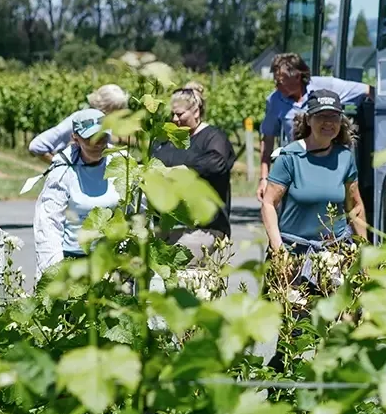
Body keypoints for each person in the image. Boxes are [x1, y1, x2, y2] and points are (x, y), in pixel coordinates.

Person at [261, 87, 368, 263]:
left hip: (334, 255)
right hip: (293, 253)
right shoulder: (290, 156)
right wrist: (279, 250)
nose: (328, 122)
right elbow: (268, 204)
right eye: (321, 116)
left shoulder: (345, 157)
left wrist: (364, 254)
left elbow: (355, 207)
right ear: (309, 120)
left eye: (334, 116)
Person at [258, 54, 368, 200]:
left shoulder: (327, 86)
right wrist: (264, 178)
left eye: (281, 79)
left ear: (297, 76)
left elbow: (367, 90)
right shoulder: (274, 100)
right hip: (297, 167)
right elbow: (268, 138)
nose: (277, 84)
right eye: (275, 80)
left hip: (330, 165)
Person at [32, 110, 122, 275]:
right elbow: (48, 224)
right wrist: (54, 271)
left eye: (101, 137)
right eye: (89, 138)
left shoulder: (122, 164)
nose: (97, 144)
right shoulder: (62, 171)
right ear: (75, 138)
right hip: (73, 259)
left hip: (113, 260)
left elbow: (138, 212)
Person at [150, 82, 235, 254]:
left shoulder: (213, 137)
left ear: (196, 112)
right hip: (165, 223)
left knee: (186, 270)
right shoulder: (165, 141)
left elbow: (217, 163)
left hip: (202, 228)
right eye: (172, 114)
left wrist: (182, 170)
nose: (174, 119)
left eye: (180, 114)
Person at [29, 84, 130, 161]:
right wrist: (60, 167)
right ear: (104, 107)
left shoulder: (104, 123)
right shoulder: (78, 120)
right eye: (116, 111)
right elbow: (37, 146)